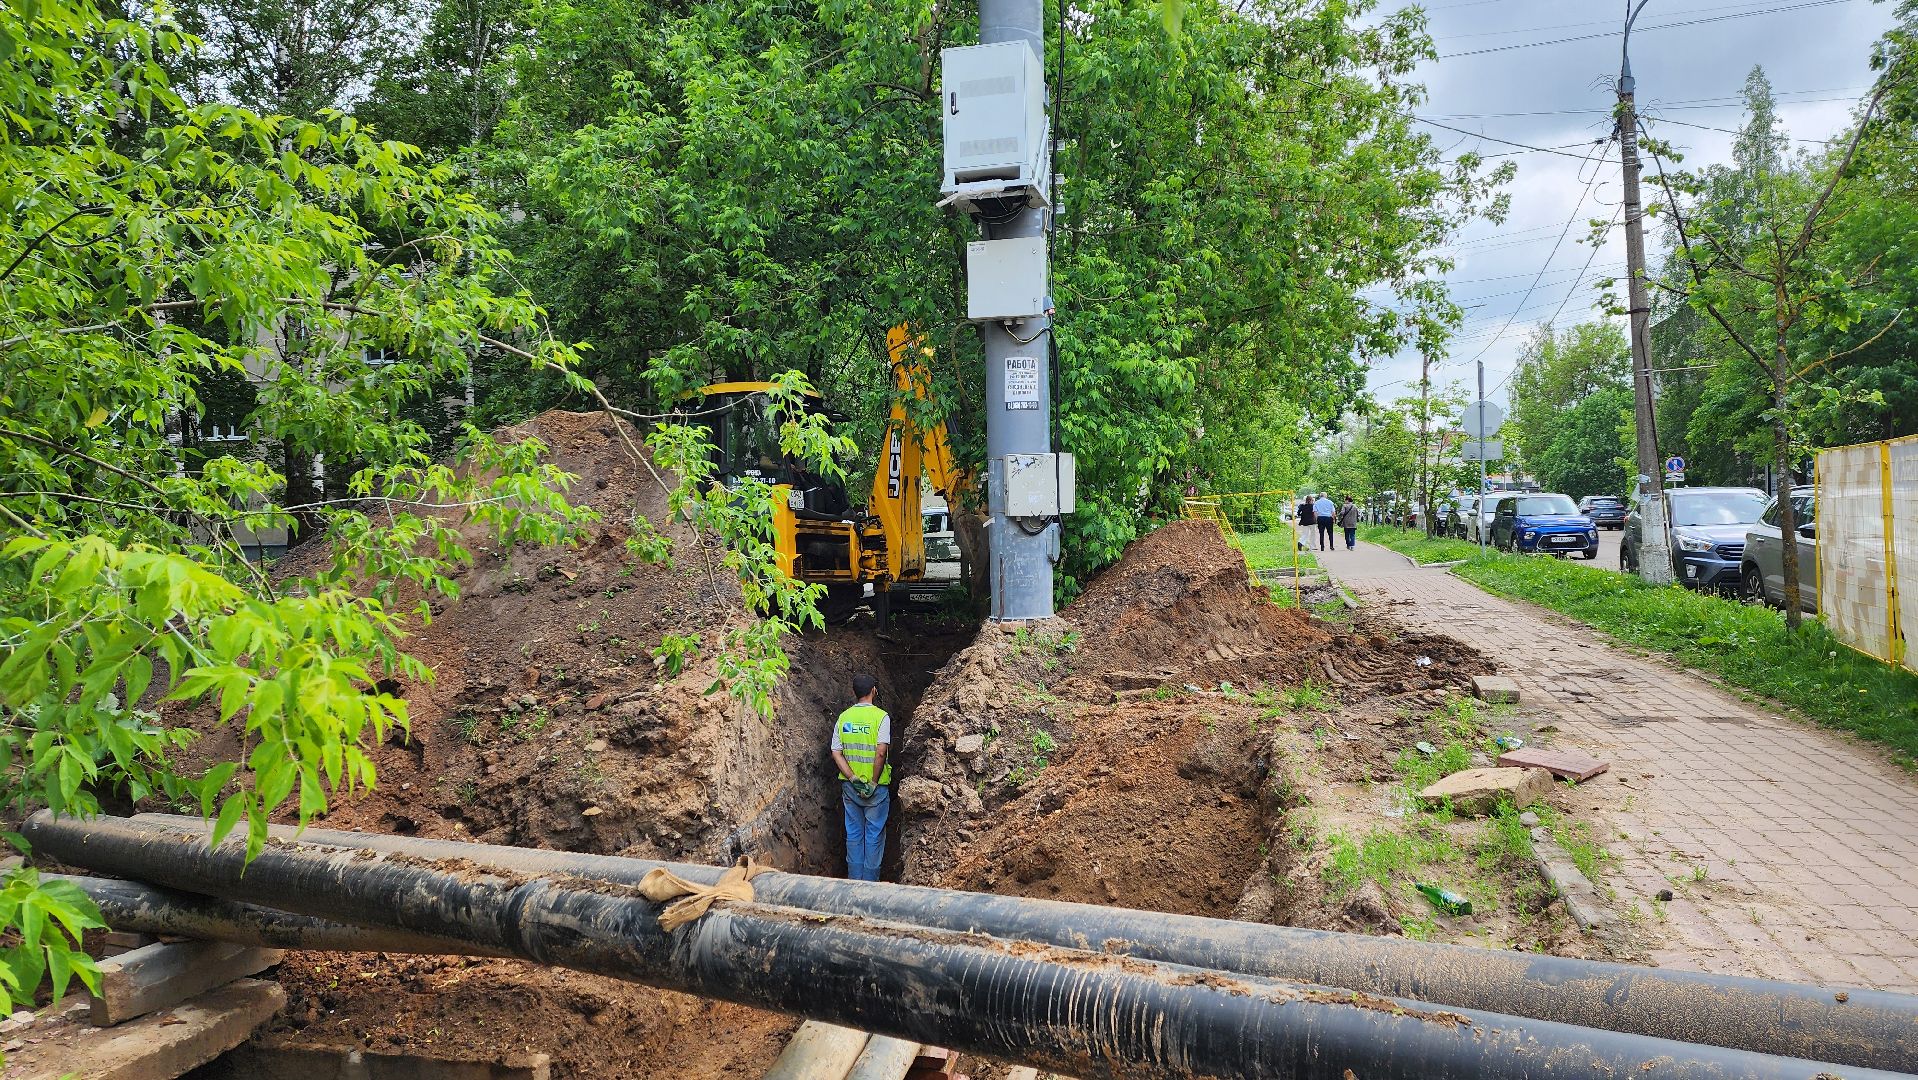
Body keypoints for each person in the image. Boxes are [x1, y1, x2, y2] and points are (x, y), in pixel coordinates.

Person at [831, 673, 891, 881]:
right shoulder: (881, 718)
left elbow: (836, 752)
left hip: (851, 787)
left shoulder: (844, 718)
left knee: (854, 834)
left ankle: (854, 881)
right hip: (877, 789)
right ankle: (870, 884)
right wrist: (872, 782)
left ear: (854, 693)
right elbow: (881, 751)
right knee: (874, 835)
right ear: (874, 690)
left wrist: (853, 778)